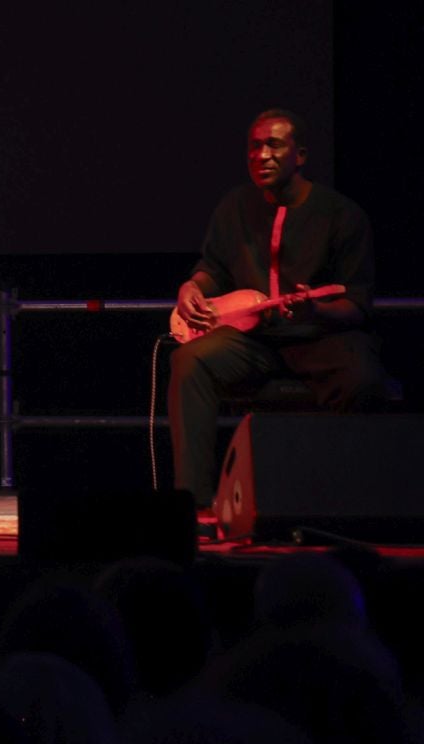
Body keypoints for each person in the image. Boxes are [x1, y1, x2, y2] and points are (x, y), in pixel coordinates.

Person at [167, 109, 392, 505]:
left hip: (320, 337)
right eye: (255, 146)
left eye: (274, 145)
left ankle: (342, 501)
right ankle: (192, 505)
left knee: (363, 378)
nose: (262, 155)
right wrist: (192, 287)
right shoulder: (234, 206)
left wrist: (317, 312)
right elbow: (212, 270)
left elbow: (356, 305)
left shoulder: (342, 215)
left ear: (300, 155)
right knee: (191, 361)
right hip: (255, 341)